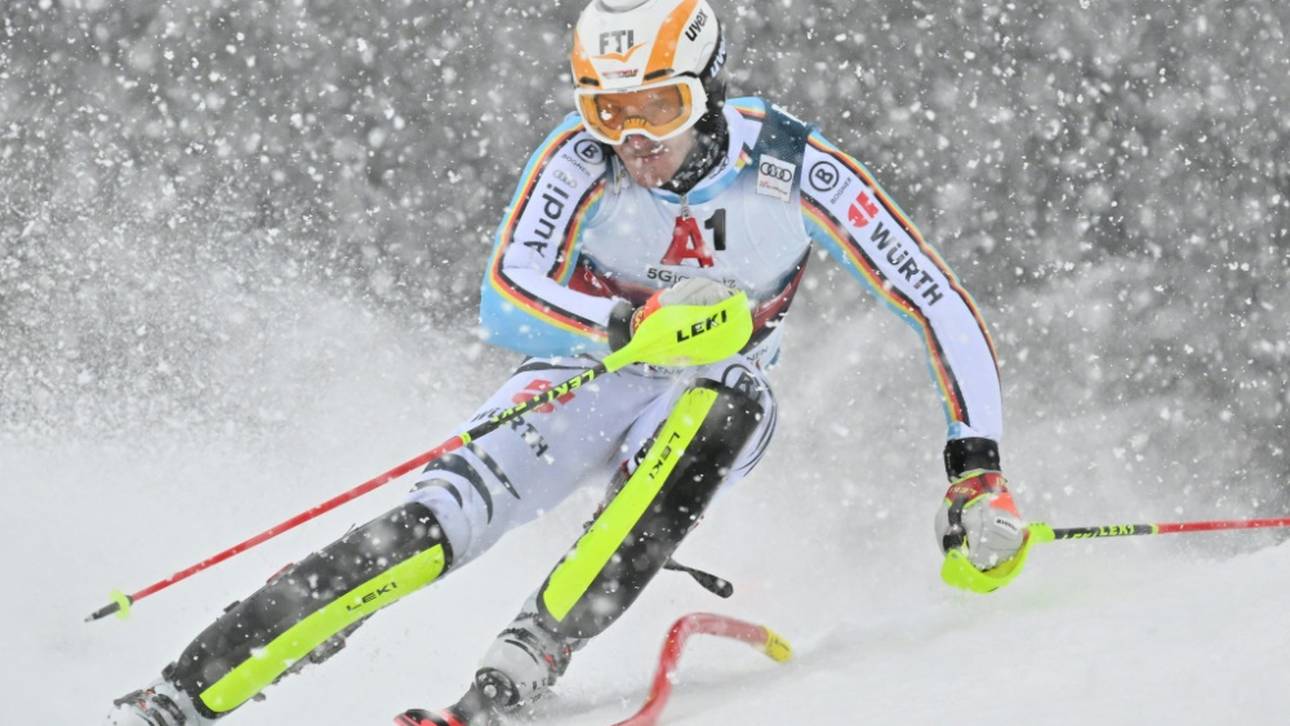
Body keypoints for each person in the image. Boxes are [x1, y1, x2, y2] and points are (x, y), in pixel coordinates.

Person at [104, 1, 1027, 724]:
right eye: (608, 109)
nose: (634, 138)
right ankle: (185, 692)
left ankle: (536, 648)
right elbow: (505, 296)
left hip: (713, 390)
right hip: (583, 376)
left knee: (725, 400)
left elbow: (932, 298)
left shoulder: (793, 167)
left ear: (707, 91)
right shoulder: (580, 162)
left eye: (659, 106)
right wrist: (626, 325)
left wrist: (975, 470)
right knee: (428, 530)